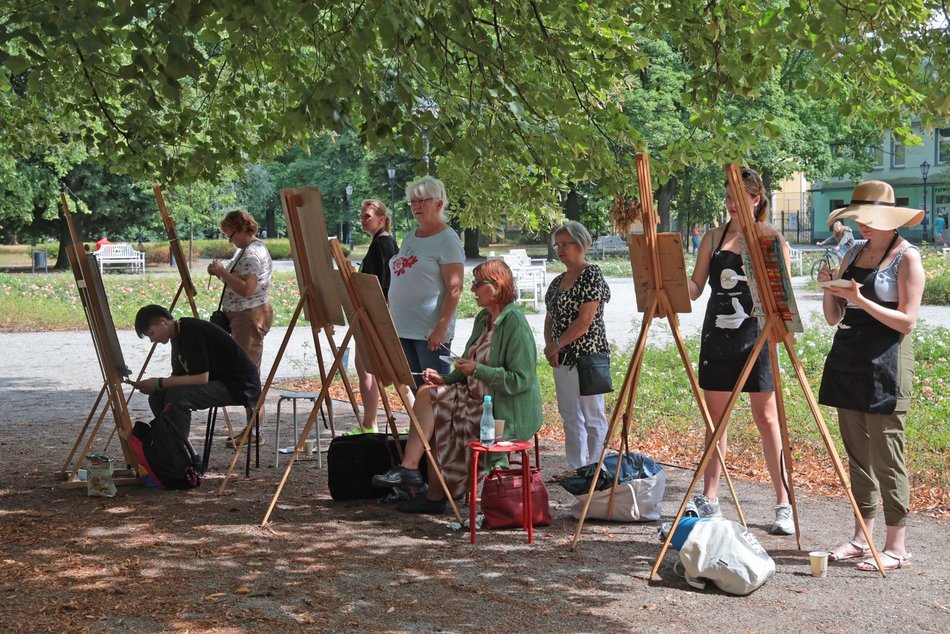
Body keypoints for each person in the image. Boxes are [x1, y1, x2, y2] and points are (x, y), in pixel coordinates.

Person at [372, 260, 542, 513]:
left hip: (502, 410)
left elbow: (520, 379)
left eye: (477, 284)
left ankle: (432, 491)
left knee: (435, 409)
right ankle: (417, 477)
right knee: (427, 393)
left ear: (496, 287)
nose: (472, 290)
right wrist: (447, 379)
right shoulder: (484, 318)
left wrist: (477, 370)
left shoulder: (514, 321)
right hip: (476, 398)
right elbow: (467, 364)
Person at [817, 180, 924, 572]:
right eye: (858, 217)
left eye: (869, 217)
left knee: (886, 457)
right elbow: (833, 318)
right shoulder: (853, 252)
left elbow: (908, 321)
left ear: (889, 218)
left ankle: (897, 545)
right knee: (858, 457)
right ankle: (862, 538)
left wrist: (861, 299)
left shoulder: (907, 258)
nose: (862, 224)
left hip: (888, 362)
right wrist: (830, 289)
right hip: (849, 360)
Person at [687, 167, 794, 535]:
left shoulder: (771, 239)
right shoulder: (713, 238)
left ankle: (783, 501)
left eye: (739, 197)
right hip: (717, 338)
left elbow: (783, 295)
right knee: (716, 423)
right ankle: (711, 497)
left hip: (758, 336)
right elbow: (695, 288)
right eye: (728, 197)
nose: (732, 204)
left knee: (766, 419)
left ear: (756, 199)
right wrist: (664, 279)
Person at [131, 305, 262, 442]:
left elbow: (201, 378)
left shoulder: (191, 331)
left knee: (178, 397)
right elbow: (178, 377)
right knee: (157, 397)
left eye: (151, 333)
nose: (152, 340)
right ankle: (168, 443)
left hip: (238, 386)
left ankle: (179, 451)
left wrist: (159, 382)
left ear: (163, 322)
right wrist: (156, 387)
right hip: (221, 382)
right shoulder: (177, 336)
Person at [387, 176, 465, 397]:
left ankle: (440, 432)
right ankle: (424, 432)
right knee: (417, 390)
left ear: (439, 204)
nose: (416, 206)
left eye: (422, 201)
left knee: (435, 393)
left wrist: (441, 328)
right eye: (412, 201)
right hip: (403, 328)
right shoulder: (411, 237)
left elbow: (455, 288)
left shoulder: (447, 240)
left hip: (430, 333)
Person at [543, 221, 611, 470]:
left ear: (581, 244)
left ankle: (596, 470)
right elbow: (550, 317)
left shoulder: (591, 274)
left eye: (566, 244)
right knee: (570, 416)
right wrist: (551, 346)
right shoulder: (558, 281)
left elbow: (585, 321)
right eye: (557, 245)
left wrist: (557, 344)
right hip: (562, 358)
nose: (560, 250)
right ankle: (576, 469)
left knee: (593, 416)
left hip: (588, 357)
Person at [207, 210, 273, 445]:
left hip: (249, 317)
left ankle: (255, 431)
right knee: (246, 371)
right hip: (242, 317)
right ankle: (252, 428)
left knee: (248, 373)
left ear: (243, 229)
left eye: (230, 234)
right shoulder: (246, 250)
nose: (230, 240)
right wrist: (221, 273)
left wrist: (223, 273)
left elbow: (248, 289)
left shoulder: (253, 253)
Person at [348, 199, 399, 435]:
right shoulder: (381, 243)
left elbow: (380, 286)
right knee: (366, 368)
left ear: (381, 218)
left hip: (376, 314)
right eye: (361, 215)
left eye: (367, 215)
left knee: (372, 369)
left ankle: (370, 423)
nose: (362, 219)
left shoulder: (383, 245)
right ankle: (369, 422)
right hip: (373, 313)